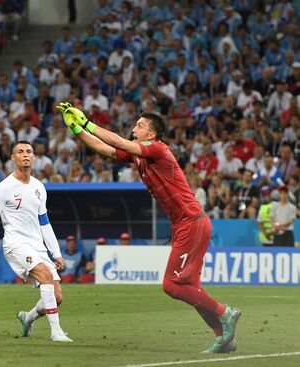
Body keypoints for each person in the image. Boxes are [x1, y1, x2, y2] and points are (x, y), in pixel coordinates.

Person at [58, 102, 240, 353]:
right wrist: (77, 129)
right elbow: (105, 149)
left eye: (140, 126)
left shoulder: (157, 149)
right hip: (185, 225)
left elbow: (119, 142)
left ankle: (225, 312)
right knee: (190, 288)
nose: (134, 128)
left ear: (151, 134)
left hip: (192, 222)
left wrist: (87, 122)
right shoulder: (139, 154)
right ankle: (223, 337)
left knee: (171, 285)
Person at [0, 140, 73, 343]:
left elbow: (44, 223)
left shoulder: (39, 187)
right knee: (45, 276)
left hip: (38, 246)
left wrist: (56, 253)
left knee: (57, 296)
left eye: (29, 151)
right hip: (15, 244)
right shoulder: (4, 188)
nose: (25, 155)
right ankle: (56, 331)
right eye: (20, 152)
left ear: (34, 157)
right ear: (13, 158)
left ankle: (27, 318)